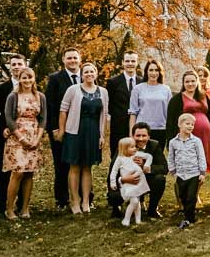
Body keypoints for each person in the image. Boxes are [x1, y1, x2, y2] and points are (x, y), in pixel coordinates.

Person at [58, 63, 108, 215]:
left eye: (91, 71)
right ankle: (75, 201)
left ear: (96, 73)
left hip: (93, 133)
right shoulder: (73, 90)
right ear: (82, 74)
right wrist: (62, 130)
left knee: (87, 167)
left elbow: (104, 115)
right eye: (86, 71)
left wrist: (102, 135)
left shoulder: (103, 92)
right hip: (75, 132)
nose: (89, 74)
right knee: (74, 167)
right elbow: (63, 111)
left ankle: (86, 201)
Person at [3, 67, 47, 219]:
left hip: (34, 133)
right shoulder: (13, 96)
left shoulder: (40, 96)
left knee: (29, 173)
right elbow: (8, 118)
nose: (27, 80)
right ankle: (9, 209)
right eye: (24, 78)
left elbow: (43, 119)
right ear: (19, 79)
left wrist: (37, 138)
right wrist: (21, 138)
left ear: (34, 79)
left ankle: (25, 208)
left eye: (30, 77)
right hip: (17, 136)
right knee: (18, 172)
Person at [44, 48, 82, 210]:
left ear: (80, 59)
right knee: (61, 164)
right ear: (63, 60)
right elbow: (50, 105)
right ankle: (62, 199)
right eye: (69, 58)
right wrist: (53, 129)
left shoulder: (87, 76)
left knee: (81, 163)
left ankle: (83, 196)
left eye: (75, 58)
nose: (72, 61)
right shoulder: (55, 79)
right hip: (61, 129)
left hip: (82, 128)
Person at [107, 122, 167, 219]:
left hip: (146, 180)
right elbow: (112, 171)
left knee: (160, 179)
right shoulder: (124, 146)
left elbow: (164, 168)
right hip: (126, 181)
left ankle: (152, 210)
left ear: (149, 136)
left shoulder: (154, 145)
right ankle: (116, 208)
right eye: (138, 135)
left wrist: (145, 167)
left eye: (144, 136)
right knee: (113, 196)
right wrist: (123, 180)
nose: (141, 139)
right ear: (132, 136)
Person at [0, 54, 26, 216]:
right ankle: (2, 203)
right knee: (5, 169)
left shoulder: (31, 87)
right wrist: (1, 127)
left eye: (20, 64)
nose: (17, 66)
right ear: (10, 67)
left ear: (24, 65)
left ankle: (21, 203)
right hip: (6, 135)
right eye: (14, 64)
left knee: (24, 170)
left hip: (25, 134)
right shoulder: (0, 89)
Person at [165, 69, 210, 175]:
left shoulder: (204, 96)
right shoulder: (177, 99)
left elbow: (209, 117)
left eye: (193, 81)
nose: (190, 84)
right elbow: (170, 121)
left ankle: (196, 190)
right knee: (189, 164)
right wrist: (171, 140)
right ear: (183, 83)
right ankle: (184, 186)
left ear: (197, 81)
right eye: (187, 82)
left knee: (201, 165)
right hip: (188, 135)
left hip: (204, 135)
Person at [167, 112, 207, 228]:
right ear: (180, 124)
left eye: (192, 124)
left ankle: (189, 218)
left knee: (191, 196)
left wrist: (202, 172)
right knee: (183, 195)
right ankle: (188, 212)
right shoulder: (173, 142)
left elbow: (201, 156)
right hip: (181, 174)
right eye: (187, 124)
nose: (190, 126)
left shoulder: (196, 141)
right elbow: (171, 157)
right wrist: (173, 170)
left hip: (194, 173)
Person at [129, 60, 172, 153]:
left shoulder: (166, 89)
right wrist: (131, 134)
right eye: (151, 70)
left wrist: (170, 133)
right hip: (141, 130)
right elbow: (133, 113)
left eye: (156, 70)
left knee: (156, 159)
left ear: (160, 72)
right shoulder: (138, 89)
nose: (153, 73)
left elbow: (170, 114)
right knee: (140, 158)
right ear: (146, 72)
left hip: (161, 130)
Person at [106, 51, 141, 159]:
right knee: (117, 156)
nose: (130, 63)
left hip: (138, 126)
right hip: (118, 126)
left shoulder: (142, 82)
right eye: (127, 61)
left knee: (136, 156)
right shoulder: (113, 82)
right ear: (122, 62)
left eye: (133, 61)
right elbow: (109, 104)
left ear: (137, 62)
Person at [110, 137, 149, 227]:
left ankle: (138, 220)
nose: (135, 148)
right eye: (132, 147)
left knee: (137, 201)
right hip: (127, 184)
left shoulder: (135, 156)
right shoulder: (120, 159)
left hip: (137, 183)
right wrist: (113, 182)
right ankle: (126, 219)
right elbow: (114, 171)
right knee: (134, 201)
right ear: (124, 149)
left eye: (135, 146)